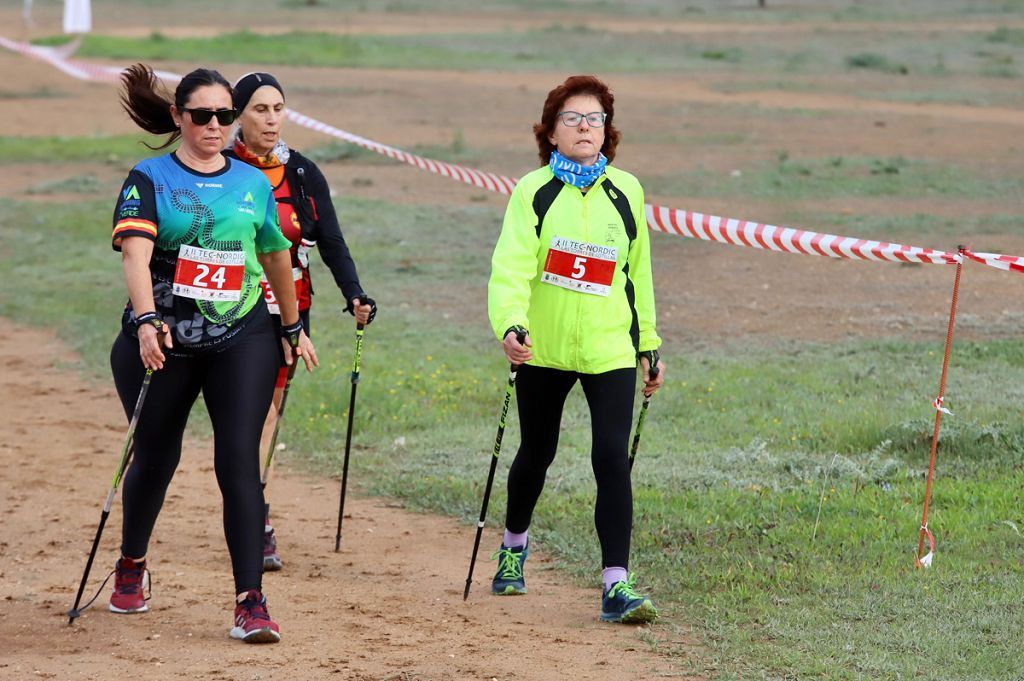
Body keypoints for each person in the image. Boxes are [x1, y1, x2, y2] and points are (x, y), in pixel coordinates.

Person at [108, 63, 317, 644]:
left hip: (241, 334)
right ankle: (131, 564)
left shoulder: (250, 183)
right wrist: (147, 320)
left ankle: (250, 600)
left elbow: (274, 255)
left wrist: (291, 324)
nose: (214, 126)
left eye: (224, 116)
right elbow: (135, 252)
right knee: (156, 456)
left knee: (238, 462)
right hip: (164, 338)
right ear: (178, 117)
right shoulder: (148, 177)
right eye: (202, 115)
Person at [487, 74, 665, 624]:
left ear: (607, 131)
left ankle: (616, 584)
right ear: (552, 131)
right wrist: (511, 327)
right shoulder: (532, 190)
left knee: (611, 458)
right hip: (543, 347)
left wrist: (649, 345)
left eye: (595, 119)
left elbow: (637, 274)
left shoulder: (627, 190)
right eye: (573, 119)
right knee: (536, 451)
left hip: (610, 347)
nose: (585, 128)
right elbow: (512, 267)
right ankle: (514, 548)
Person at [223, 71, 376, 572]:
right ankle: (253, 516)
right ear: (238, 115)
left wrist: (354, 293)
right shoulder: (219, 167)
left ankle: (255, 518)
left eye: (278, 109)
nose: (270, 119)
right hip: (230, 307)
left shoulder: (304, 173)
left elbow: (330, 240)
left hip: (291, 313)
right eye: (259, 109)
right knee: (252, 418)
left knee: (266, 416)